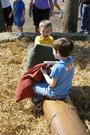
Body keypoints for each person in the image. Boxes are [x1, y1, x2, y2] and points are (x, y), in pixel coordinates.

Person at [32, 38, 74, 104]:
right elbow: (62, 63)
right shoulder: (70, 60)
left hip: (54, 94)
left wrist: (44, 73)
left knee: (34, 86)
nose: (52, 52)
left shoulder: (57, 68)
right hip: (66, 91)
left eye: (53, 50)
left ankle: (37, 100)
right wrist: (50, 62)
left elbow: (52, 84)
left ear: (57, 52)